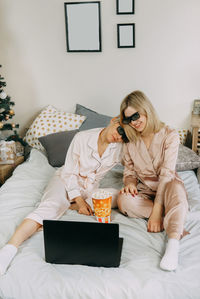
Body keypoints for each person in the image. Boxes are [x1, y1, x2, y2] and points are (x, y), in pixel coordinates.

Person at [0, 118, 128, 275]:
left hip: (90, 188)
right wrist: (80, 202)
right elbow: (69, 172)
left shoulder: (121, 148)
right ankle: (9, 249)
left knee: (118, 194)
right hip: (66, 179)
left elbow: (137, 162)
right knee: (50, 206)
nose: (119, 137)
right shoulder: (82, 138)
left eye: (125, 137)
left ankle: (69, 205)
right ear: (115, 121)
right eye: (120, 131)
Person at [117, 90, 188, 271]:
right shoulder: (129, 140)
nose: (134, 122)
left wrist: (157, 210)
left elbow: (166, 174)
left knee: (178, 192)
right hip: (145, 189)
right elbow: (129, 170)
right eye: (128, 119)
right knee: (123, 200)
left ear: (146, 109)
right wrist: (130, 184)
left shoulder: (170, 135)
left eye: (136, 115)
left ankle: (173, 244)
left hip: (168, 184)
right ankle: (175, 216)